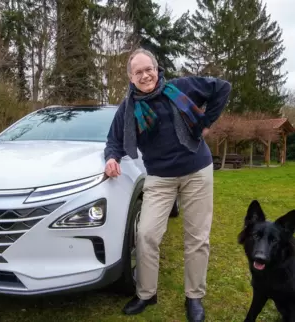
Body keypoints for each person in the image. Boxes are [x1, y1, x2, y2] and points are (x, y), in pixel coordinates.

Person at [103, 48, 231, 321]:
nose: (145, 75)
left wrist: (206, 122)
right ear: (131, 77)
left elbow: (222, 87)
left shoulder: (181, 88)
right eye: (138, 72)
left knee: (197, 239)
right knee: (146, 234)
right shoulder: (128, 108)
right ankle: (146, 294)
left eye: (148, 69)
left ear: (157, 69)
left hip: (196, 171)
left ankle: (194, 297)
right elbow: (114, 140)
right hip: (159, 178)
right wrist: (112, 158)